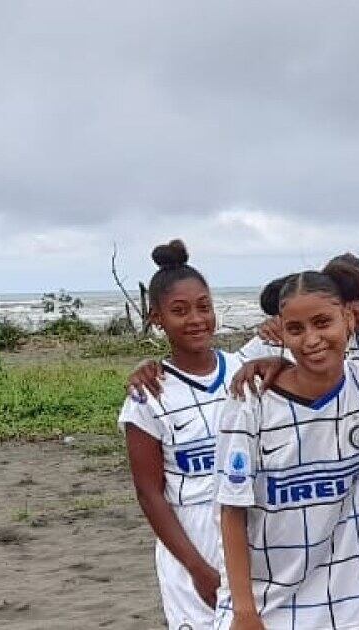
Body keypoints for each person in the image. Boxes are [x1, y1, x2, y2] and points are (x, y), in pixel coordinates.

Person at [213, 269, 359, 630]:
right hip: (269, 604)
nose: (312, 340)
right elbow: (232, 511)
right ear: (282, 333)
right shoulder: (251, 401)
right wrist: (244, 611)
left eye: (323, 322)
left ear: (349, 319)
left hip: (350, 606)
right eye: (296, 329)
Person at [118, 239, 241, 630]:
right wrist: (196, 568)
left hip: (249, 530)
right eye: (179, 311)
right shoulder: (148, 397)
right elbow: (149, 493)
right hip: (191, 541)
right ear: (156, 319)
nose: (196, 320)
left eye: (204, 307)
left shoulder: (245, 370)